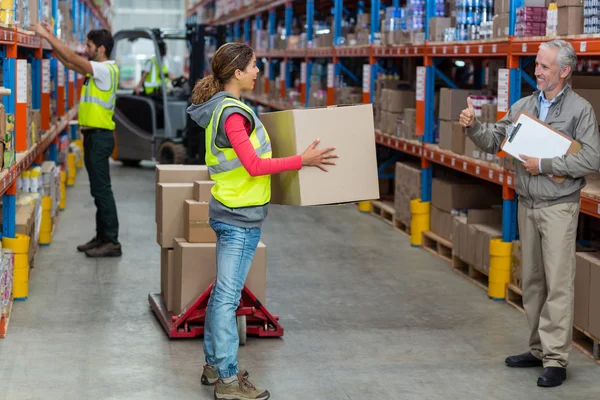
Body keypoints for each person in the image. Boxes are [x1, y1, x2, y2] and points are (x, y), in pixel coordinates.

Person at [186, 42, 337, 400]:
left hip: (234, 211)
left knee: (222, 295)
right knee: (226, 298)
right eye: (254, 66)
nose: (258, 71)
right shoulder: (233, 114)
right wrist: (303, 160)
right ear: (237, 73)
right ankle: (227, 380)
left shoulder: (227, 108)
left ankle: (213, 367)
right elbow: (253, 165)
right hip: (238, 218)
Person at [459, 39, 600, 388]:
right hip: (527, 203)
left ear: (564, 71)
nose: (536, 71)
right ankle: (537, 348)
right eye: (536, 64)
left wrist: (546, 164)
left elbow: (592, 158)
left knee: (558, 284)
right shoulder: (525, 106)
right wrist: (473, 126)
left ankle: (556, 359)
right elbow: (496, 140)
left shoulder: (580, 111)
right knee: (533, 282)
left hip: (558, 207)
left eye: (544, 66)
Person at [32, 22, 122, 258]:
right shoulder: (99, 70)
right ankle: (102, 236)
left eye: (89, 45)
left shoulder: (105, 70)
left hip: (100, 137)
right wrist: (50, 41)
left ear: (101, 49)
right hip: (95, 136)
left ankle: (111, 241)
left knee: (102, 191)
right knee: (98, 191)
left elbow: (72, 57)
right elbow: (69, 62)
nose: (86, 49)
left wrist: (47, 35)